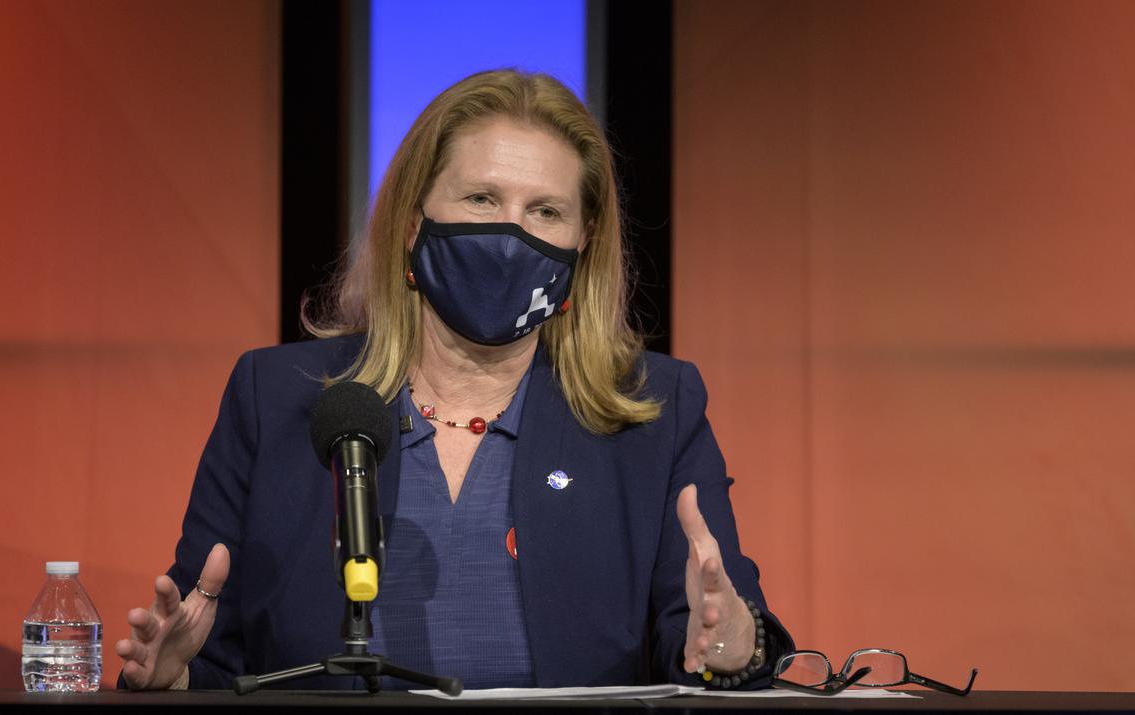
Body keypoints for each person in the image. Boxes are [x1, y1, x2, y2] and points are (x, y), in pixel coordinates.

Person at [116, 69, 793, 691]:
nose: (511, 235)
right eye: (482, 198)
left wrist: (735, 641)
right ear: (415, 221)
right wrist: (174, 679)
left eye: (545, 212)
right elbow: (205, 649)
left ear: (583, 242)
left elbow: (713, 634)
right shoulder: (275, 396)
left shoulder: (656, 411)